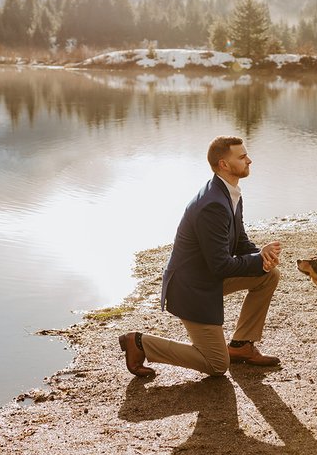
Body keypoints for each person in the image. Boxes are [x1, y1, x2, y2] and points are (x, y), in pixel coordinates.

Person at [119, 136, 282, 377]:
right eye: (242, 156)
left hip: (207, 277)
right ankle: (140, 342)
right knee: (216, 365)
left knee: (268, 275)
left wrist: (262, 258)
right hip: (192, 288)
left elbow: (239, 241)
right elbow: (220, 266)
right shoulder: (212, 204)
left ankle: (241, 346)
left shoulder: (230, 193)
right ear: (223, 164)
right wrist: (258, 259)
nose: (249, 160)